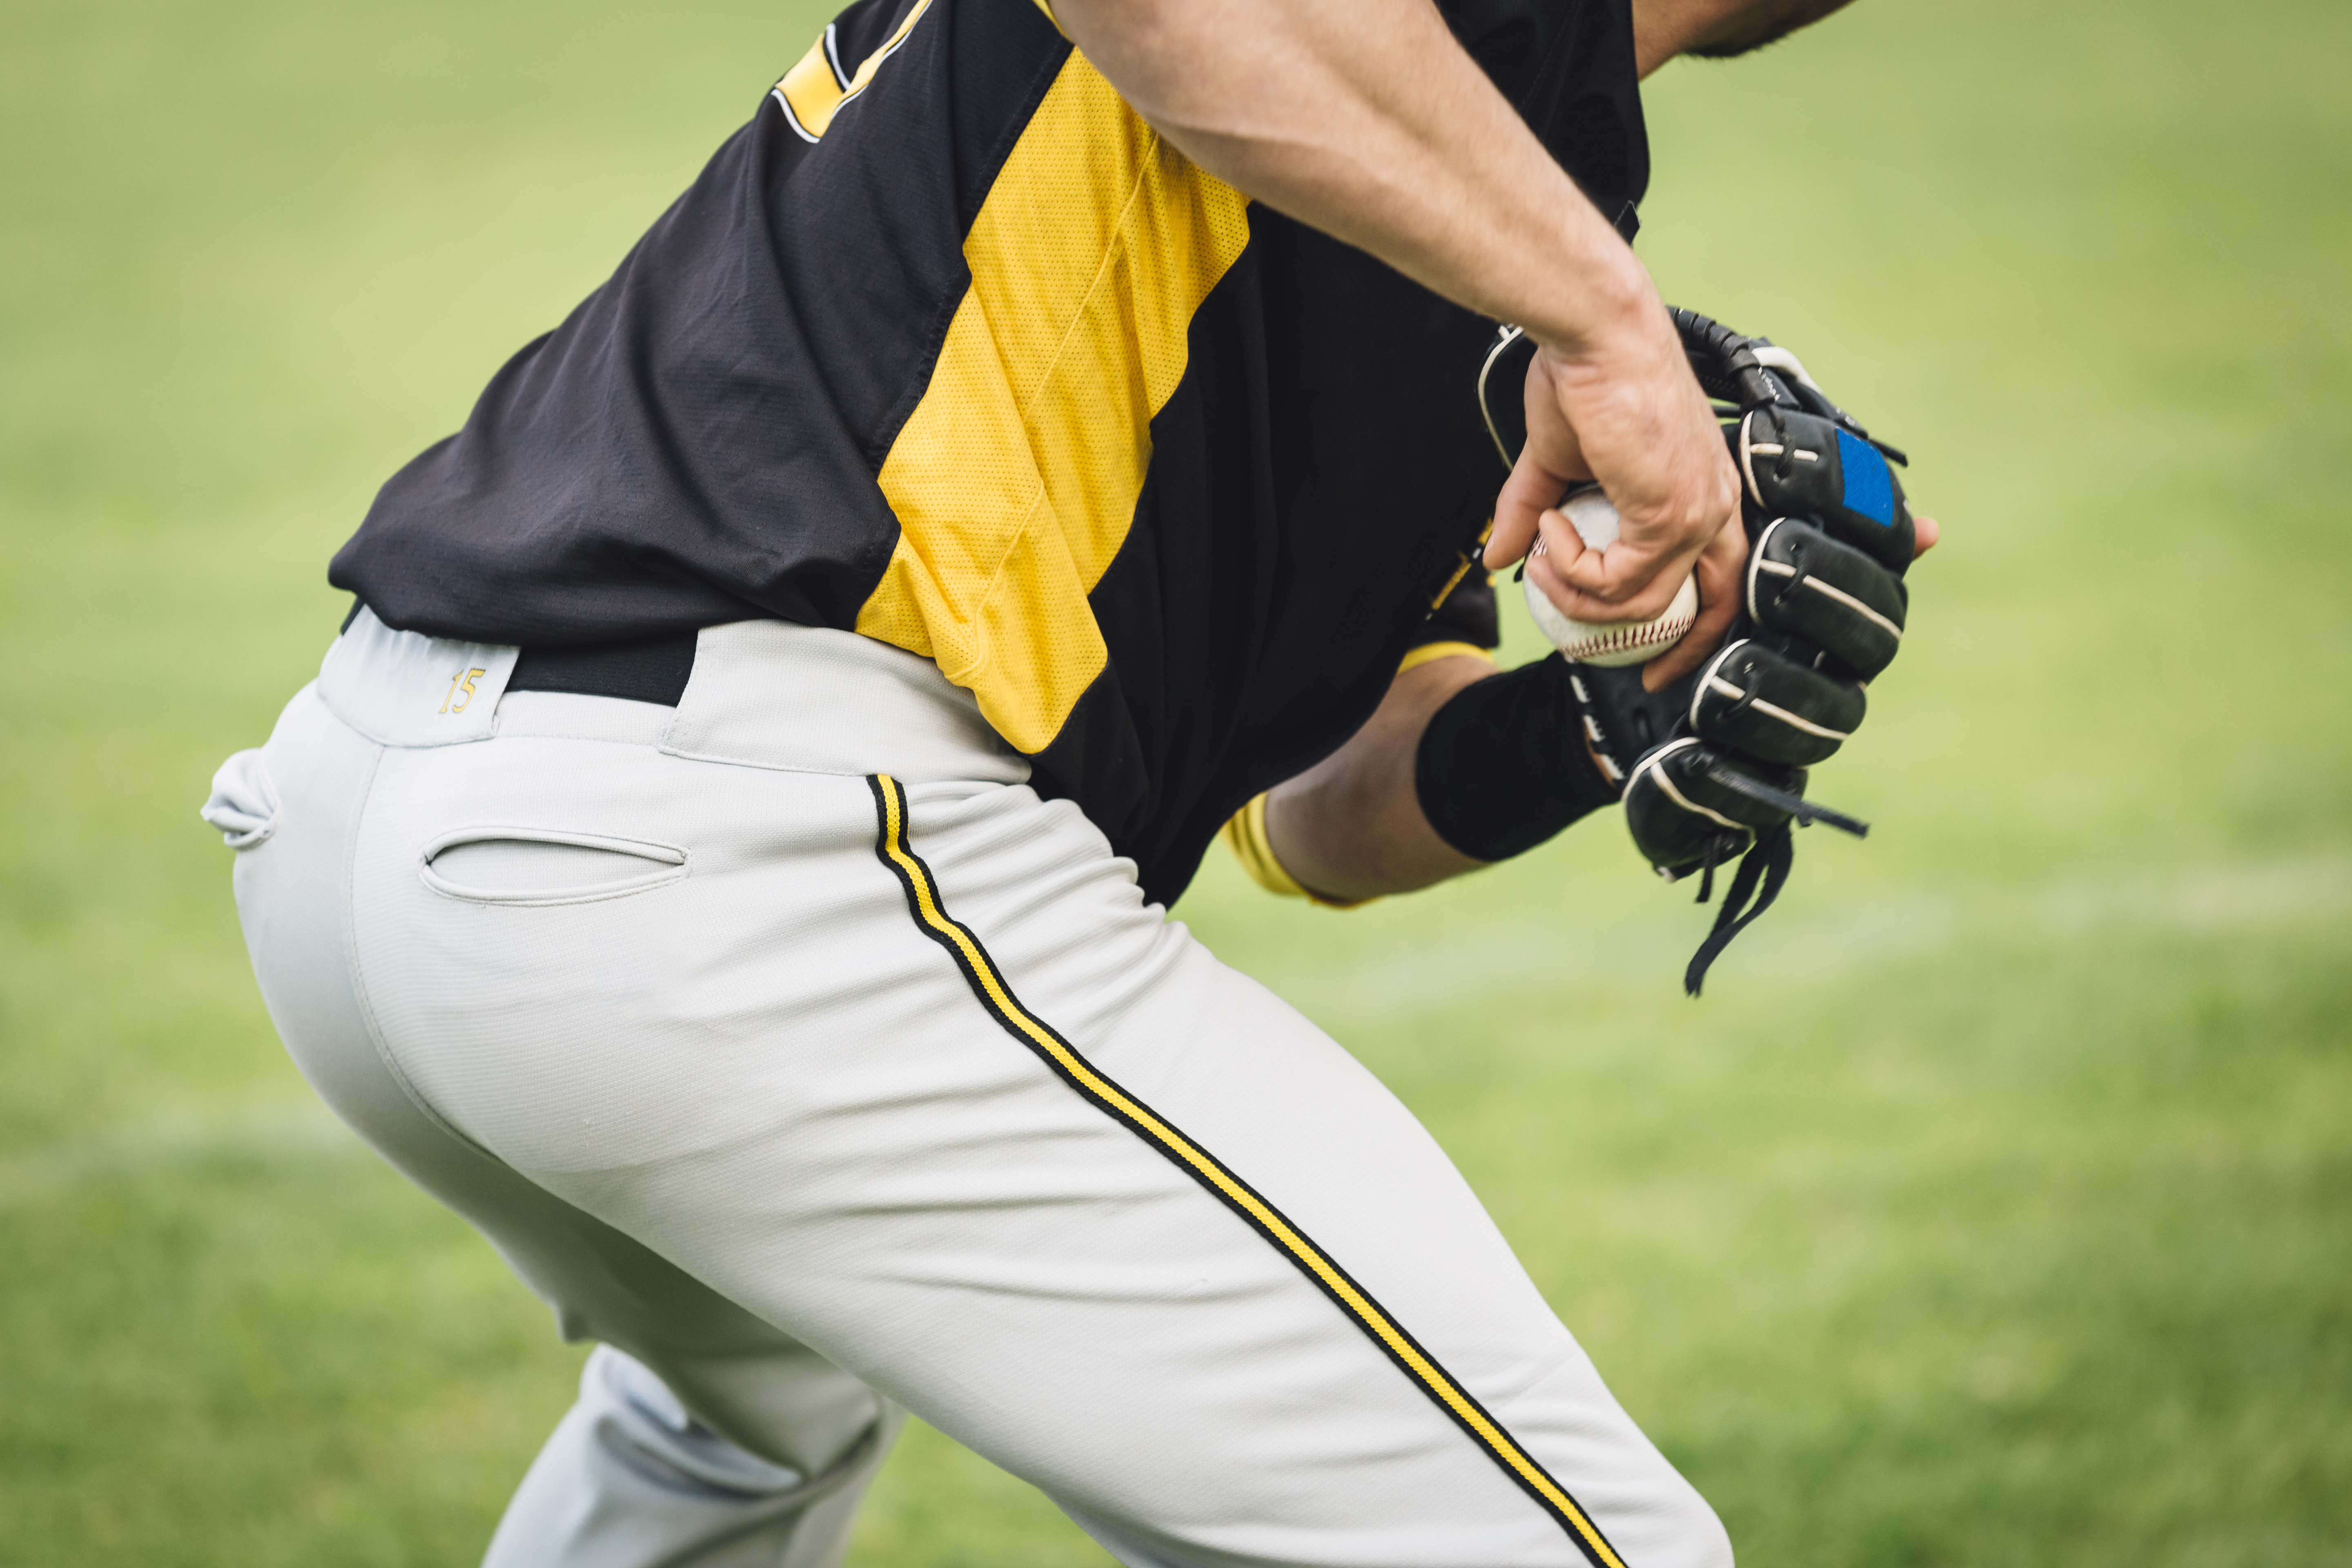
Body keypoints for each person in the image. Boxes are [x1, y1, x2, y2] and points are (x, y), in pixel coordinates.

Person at [203, 0, 1920, 1561]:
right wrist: (1606, 323)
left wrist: (1592, 728)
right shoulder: (1470, 146)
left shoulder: (1480, 170)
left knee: (742, 1435)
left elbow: (1308, 804)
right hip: (730, 855)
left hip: (412, 832)